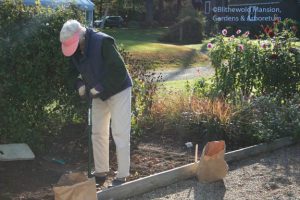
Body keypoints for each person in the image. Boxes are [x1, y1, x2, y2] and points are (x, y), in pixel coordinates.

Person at [59, 19, 132, 187]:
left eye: (75, 45)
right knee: (98, 132)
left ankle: (122, 176)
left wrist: (100, 87)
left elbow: (119, 70)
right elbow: (72, 72)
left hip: (119, 89)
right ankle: (100, 172)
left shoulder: (103, 42)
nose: (74, 50)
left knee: (120, 132)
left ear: (81, 38)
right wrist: (79, 84)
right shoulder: (76, 50)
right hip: (97, 93)